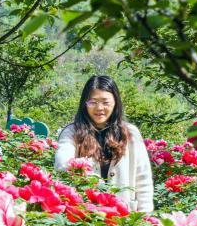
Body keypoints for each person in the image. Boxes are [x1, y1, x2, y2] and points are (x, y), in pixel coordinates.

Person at [54, 75, 154, 212]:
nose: (99, 108)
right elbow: (62, 163)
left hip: (124, 218)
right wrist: (88, 178)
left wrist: (144, 215)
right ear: (85, 104)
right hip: (84, 216)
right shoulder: (72, 132)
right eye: (93, 102)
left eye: (105, 102)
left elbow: (143, 179)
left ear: (115, 103)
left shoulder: (130, 133)